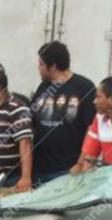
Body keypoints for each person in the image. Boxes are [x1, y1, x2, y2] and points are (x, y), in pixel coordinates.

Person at [30, 41, 96, 184]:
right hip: (40, 169)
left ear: (53, 66)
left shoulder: (84, 87)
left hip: (67, 170)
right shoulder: (43, 87)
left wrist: (81, 162)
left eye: (41, 64)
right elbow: (32, 122)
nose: (38, 68)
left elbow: (92, 129)